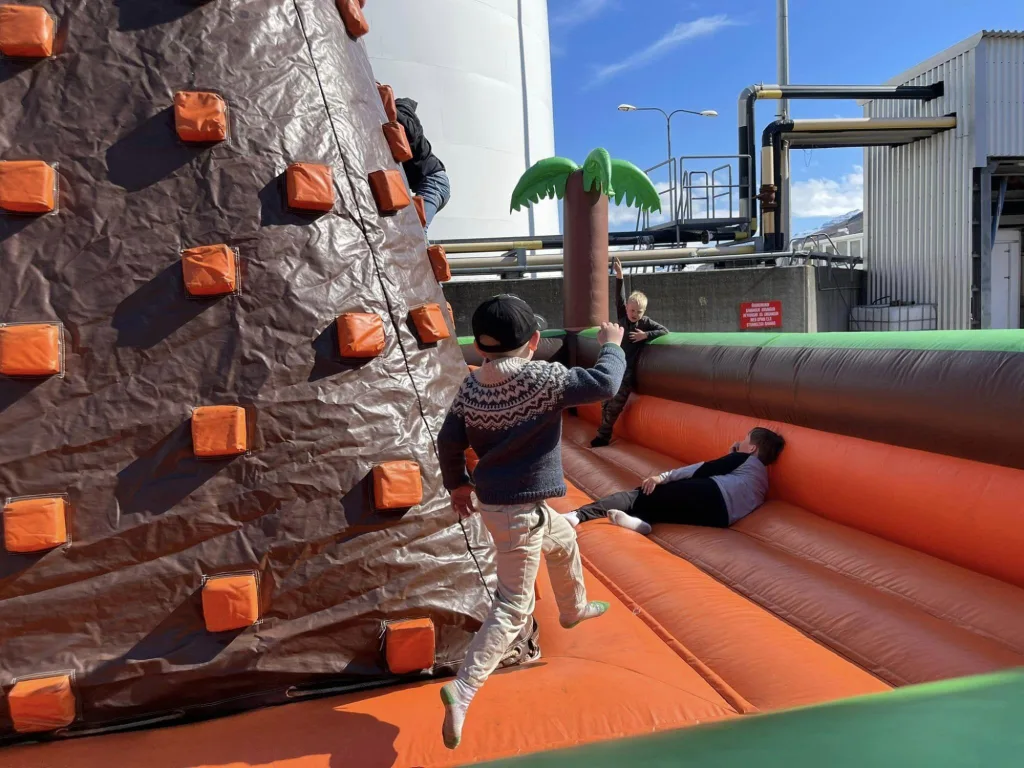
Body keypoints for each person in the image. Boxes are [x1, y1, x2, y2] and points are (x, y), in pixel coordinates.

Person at [437, 294, 626, 750]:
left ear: (479, 346)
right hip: (516, 514)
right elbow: (605, 383)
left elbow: (448, 440)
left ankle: (573, 608)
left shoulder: (472, 387)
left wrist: (458, 484)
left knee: (563, 539)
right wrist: (612, 344)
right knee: (513, 605)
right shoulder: (544, 379)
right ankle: (463, 690)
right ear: (535, 341)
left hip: (509, 506)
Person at [566, 428, 786, 534]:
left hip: (712, 494)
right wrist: (733, 455)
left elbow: (703, 469)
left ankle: (578, 515)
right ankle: (642, 524)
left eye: (744, 440)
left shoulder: (744, 459)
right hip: (720, 518)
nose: (739, 442)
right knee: (666, 505)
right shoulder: (762, 481)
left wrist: (662, 477)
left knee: (639, 495)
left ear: (752, 448)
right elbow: (734, 479)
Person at [591, 256, 668, 448]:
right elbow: (619, 297)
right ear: (627, 309)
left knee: (616, 404)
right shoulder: (623, 317)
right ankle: (602, 429)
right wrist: (619, 275)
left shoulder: (645, 323)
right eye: (632, 310)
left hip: (627, 371)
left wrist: (646, 335)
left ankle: (603, 435)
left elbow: (664, 330)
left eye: (639, 311)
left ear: (643, 312)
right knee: (605, 400)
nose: (635, 314)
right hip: (613, 364)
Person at [395, 97, 450, 229]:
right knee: (411, 229)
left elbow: (410, 132)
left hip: (433, 182)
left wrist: (391, 110)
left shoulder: (412, 132)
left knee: (416, 229)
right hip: (431, 183)